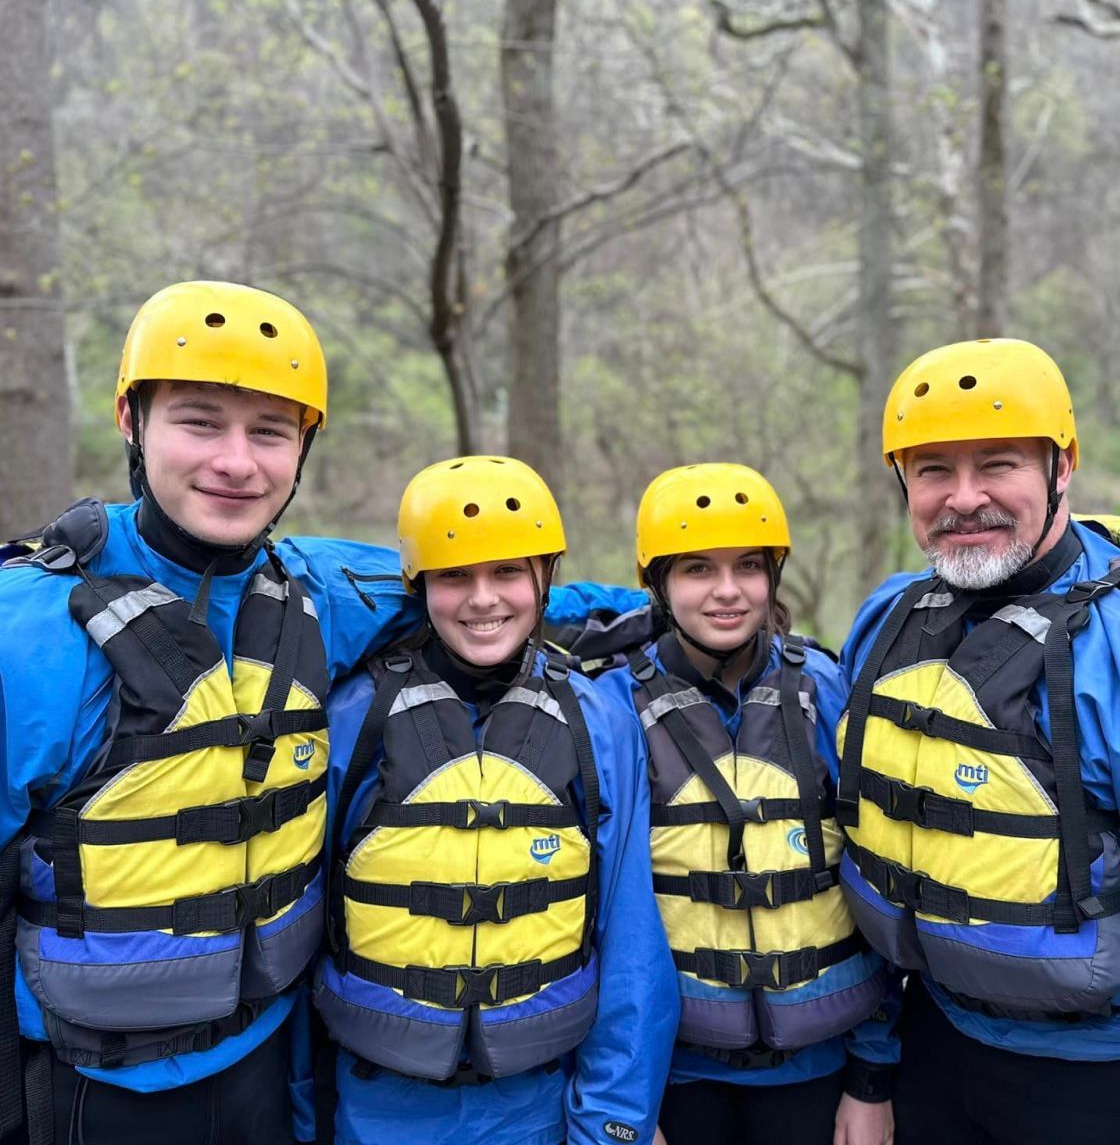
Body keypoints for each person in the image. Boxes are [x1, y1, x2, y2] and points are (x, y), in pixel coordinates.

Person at [0, 282, 642, 1145]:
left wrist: (670, 610)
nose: (238, 463)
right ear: (130, 419)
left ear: (303, 448)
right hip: (88, 1090)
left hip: (268, 1071)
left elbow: (479, 584)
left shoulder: (324, 592)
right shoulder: (27, 628)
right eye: (199, 421)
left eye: (269, 432)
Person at [836, 337, 1120, 1145]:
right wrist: (873, 1066)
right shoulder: (888, 619)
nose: (963, 499)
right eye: (934, 470)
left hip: (1103, 1078)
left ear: (1061, 466)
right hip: (933, 1052)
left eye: (997, 464)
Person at [311, 456, 677, 1145]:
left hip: (536, 1104)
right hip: (377, 1109)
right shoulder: (356, 715)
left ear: (544, 579)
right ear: (419, 586)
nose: (484, 600)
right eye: (454, 576)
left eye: (507, 572)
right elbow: (307, 925)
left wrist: (612, 1121)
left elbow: (629, 939)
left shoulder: (597, 719)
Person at [596, 464, 897, 1145]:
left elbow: (874, 890)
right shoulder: (611, 709)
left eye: (748, 567)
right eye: (698, 569)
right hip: (674, 1077)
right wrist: (625, 1103)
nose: (728, 591)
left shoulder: (826, 690)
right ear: (659, 585)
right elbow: (601, 921)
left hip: (816, 1068)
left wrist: (871, 1079)